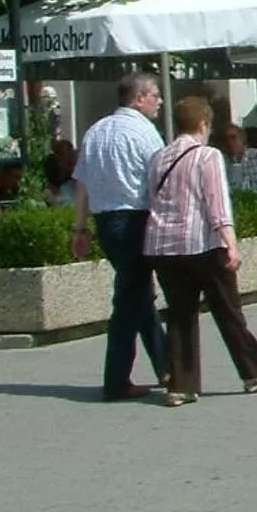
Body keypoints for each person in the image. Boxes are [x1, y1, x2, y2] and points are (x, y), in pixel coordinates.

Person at [143, 96, 257, 407]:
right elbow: (217, 203)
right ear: (204, 123)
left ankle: (181, 384)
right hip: (201, 244)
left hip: (163, 246)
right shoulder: (208, 156)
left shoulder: (159, 157)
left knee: (180, 315)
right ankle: (254, 370)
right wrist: (231, 241)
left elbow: (152, 198)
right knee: (228, 309)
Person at [69, 73, 167, 401]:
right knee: (128, 301)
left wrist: (79, 228)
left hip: (105, 221)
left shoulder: (95, 132)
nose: (159, 101)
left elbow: (81, 183)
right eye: (155, 94)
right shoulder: (144, 132)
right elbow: (159, 179)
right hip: (136, 220)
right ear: (138, 98)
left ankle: (166, 364)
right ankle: (116, 380)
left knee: (137, 295)